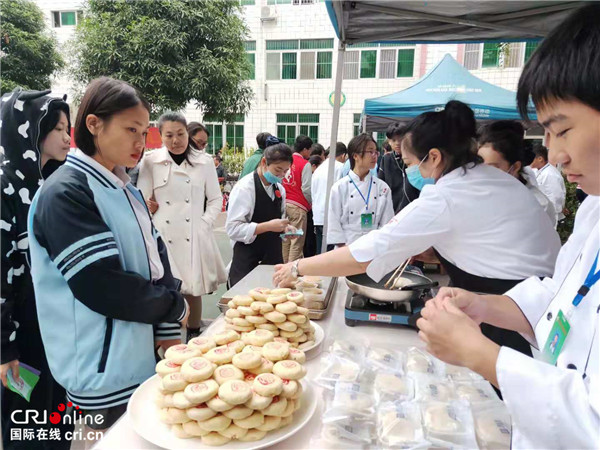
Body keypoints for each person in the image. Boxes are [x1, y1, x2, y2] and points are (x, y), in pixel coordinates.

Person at [416, 6, 600, 447]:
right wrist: (483, 305)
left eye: (562, 130)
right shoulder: (594, 209)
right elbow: (561, 299)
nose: (554, 155)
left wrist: (481, 354)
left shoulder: (453, 190)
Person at [274, 100, 561, 360]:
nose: (411, 171)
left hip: (513, 309)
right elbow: (487, 242)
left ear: (434, 157)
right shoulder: (489, 178)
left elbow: (369, 250)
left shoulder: (447, 195)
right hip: (532, 299)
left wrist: (298, 267)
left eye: (410, 163)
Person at [27, 77, 189, 433]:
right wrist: (173, 308)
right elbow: (100, 284)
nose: (140, 143)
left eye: (145, 132)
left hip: (143, 361)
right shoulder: (66, 192)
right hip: (102, 374)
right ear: (93, 124)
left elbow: (155, 262)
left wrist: (166, 328)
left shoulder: (125, 190)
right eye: (131, 129)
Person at [0, 89, 73, 449]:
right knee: (25, 423)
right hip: (22, 333)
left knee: (58, 417)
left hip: (58, 327)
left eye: (67, 128)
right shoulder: (6, 185)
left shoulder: (56, 184)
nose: (67, 137)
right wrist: (4, 348)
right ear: (29, 130)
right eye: (57, 128)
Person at [138, 112, 226, 340]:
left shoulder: (204, 161)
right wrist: (150, 208)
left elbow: (216, 199)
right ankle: (167, 337)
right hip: (163, 233)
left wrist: (204, 223)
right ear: (160, 135)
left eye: (180, 134)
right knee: (166, 288)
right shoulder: (150, 160)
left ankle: (194, 333)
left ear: (187, 133)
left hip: (193, 233)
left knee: (192, 289)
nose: (175, 140)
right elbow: (141, 198)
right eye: (169, 135)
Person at [226, 143, 296, 286]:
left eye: (285, 171)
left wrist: (285, 229)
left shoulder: (279, 189)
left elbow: (280, 220)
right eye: (278, 170)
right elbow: (233, 229)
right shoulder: (245, 188)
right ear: (264, 162)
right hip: (247, 260)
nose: (281, 175)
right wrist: (267, 226)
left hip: (272, 259)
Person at [477, 120, 556, 225]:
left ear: (515, 167)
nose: (483, 174)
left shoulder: (537, 205)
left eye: (492, 168)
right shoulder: (477, 195)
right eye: (479, 167)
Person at [327, 134, 394, 247]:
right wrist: (343, 248)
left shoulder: (382, 187)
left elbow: (387, 223)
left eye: (376, 152)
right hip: (346, 246)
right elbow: (334, 223)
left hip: (373, 246)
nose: (374, 156)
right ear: (356, 156)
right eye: (370, 152)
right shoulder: (339, 187)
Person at [281, 135, 313, 263]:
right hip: (298, 206)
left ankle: (283, 266)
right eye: (309, 149)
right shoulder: (305, 164)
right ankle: (292, 270)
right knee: (297, 241)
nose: (310, 153)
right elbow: (306, 188)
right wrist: (309, 203)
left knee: (286, 239)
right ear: (305, 149)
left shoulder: (286, 161)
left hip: (284, 204)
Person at [311, 142, 348, 253]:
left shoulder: (318, 169)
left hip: (318, 215)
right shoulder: (341, 168)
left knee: (320, 251)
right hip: (332, 216)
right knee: (332, 253)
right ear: (343, 155)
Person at [379, 122, 420, 213]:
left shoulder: (416, 158)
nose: (397, 143)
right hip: (391, 209)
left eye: (400, 139)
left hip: (414, 208)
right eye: (393, 140)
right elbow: (381, 184)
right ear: (389, 141)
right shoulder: (386, 159)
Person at [530, 142, 566, 225]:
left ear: (540, 159)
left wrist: (550, 215)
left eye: (531, 158)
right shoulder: (537, 171)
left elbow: (556, 197)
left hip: (549, 216)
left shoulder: (550, 174)